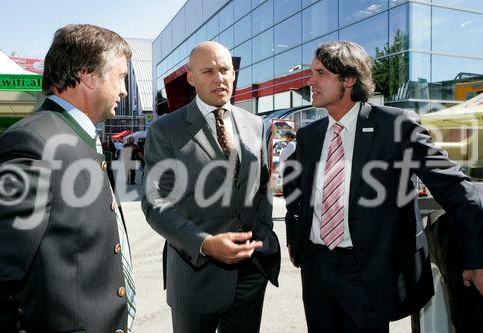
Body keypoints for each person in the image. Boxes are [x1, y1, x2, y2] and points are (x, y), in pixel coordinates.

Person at [283, 40, 483, 333]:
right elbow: (297, 192)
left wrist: (476, 257)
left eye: (320, 73)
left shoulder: (396, 126)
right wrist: (295, 237)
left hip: (367, 272)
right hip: (316, 269)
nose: (310, 80)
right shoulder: (309, 136)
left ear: (348, 79)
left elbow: (455, 188)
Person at [0, 24, 136, 332]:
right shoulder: (34, 144)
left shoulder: (74, 138)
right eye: (120, 77)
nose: (124, 90)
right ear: (89, 76)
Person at [142, 41, 280, 333]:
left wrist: (265, 233)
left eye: (225, 70)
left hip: (250, 274)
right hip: (196, 275)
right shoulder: (165, 129)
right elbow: (156, 203)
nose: (219, 78)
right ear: (191, 77)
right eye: (208, 71)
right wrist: (204, 243)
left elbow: (263, 185)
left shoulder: (256, 124)